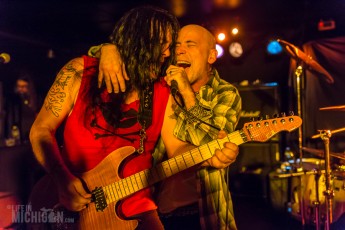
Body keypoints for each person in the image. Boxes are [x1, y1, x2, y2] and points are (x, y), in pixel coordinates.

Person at [30, 6, 238, 230]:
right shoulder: (80, 71)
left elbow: (176, 148)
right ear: (138, 40)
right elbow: (41, 130)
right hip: (74, 203)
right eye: (163, 44)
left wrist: (206, 157)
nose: (168, 53)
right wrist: (62, 179)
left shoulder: (162, 90)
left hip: (136, 208)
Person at [93, 24, 241, 229]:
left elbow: (212, 147)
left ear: (211, 56)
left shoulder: (225, 93)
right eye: (177, 45)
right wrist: (107, 49)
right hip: (155, 210)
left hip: (204, 213)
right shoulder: (160, 87)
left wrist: (188, 94)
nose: (180, 50)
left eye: (190, 45)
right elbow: (118, 58)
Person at [5, 75, 38, 144]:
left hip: (32, 132)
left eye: (23, 87)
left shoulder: (35, 99)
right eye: (18, 86)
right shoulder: (14, 100)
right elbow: (10, 117)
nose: (20, 89)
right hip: (20, 134)